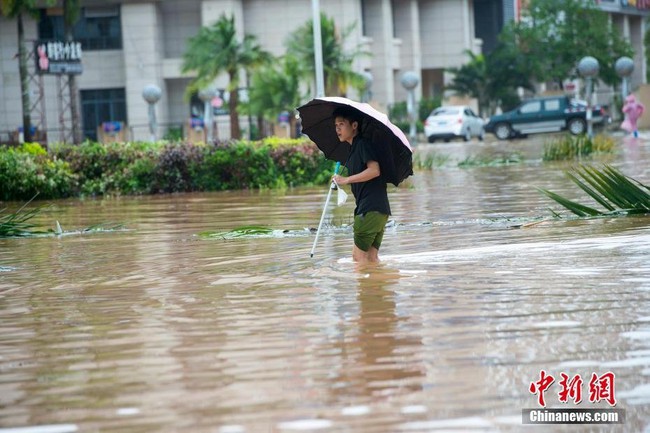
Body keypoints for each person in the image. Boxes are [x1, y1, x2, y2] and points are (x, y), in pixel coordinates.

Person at [332, 106, 390, 264]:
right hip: (380, 210)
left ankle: (364, 288)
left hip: (369, 209)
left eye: (342, 124)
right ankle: (377, 287)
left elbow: (374, 170)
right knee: (371, 258)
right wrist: (340, 180)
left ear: (354, 125)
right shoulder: (354, 149)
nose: (338, 129)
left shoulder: (363, 144)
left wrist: (346, 180)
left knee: (358, 258)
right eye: (336, 126)